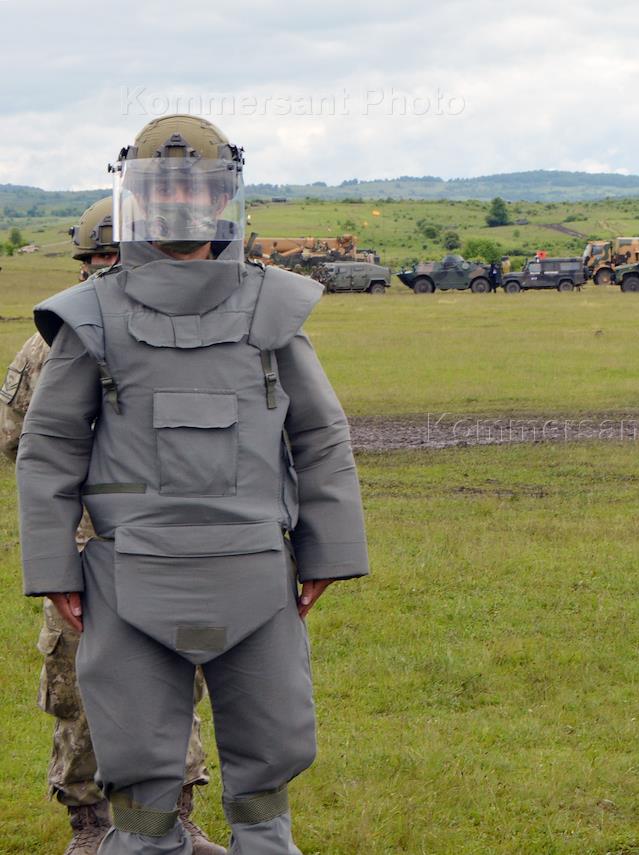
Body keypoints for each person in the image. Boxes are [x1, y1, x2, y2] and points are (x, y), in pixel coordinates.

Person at [17, 114, 369, 855]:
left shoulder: (273, 308)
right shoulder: (92, 315)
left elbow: (320, 434)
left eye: (195, 190)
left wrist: (328, 553)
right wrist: (54, 569)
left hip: (256, 572)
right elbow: (48, 449)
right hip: (127, 576)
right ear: (136, 200)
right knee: (138, 778)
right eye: (163, 190)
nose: (179, 206)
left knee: (268, 760)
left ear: (222, 198)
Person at [3, 199, 224, 855]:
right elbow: (18, 444)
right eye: (96, 258)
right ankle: (90, 823)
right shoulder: (49, 343)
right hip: (83, 548)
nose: (105, 268)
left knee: (174, 680)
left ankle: (174, 816)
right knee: (80, 690)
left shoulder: (184, 338)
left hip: (169, 543)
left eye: (116, 256)